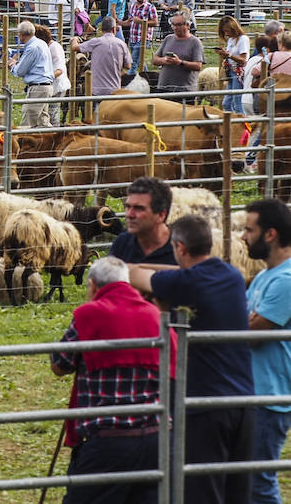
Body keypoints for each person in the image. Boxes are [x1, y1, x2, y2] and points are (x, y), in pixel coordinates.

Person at [130, 215, 255, 504]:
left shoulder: (185, 282)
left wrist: (132, 267)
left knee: (202, 490)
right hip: (244, 402)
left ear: (180, 248)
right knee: (238, 492)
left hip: (206, 405)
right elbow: (173, 273)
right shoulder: (231, 275)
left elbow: (135, 275)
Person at [49, 257, 169, 504]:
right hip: (155, 437)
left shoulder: (89, 314)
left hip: (108, 439)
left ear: (92, 285)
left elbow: (59, 365)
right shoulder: (155, 315)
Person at [239, 198, 291, 503]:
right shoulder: (263, 277)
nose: (243, 236)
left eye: (249, 230)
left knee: (258, 482)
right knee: (246, 481)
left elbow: (249, 335)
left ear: (270, 234)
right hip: (252, 393)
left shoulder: (286, 280)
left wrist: (247, 324)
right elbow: (242, 325)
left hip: (270, 398)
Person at [107, 177, 178, 265]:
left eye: (139, 208)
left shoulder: (181, 249)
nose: (129, 215)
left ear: (161, 215)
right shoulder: (122, 243)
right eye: (128, 207)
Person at [73, 17, 131, 99]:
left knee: (96, 111)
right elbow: (128, 66)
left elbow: (74, 48)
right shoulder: (121, 44)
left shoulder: (95, 42)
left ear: (101, 29)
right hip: (114, 90)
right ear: (114, 29)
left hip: (97, 91)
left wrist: (74, 39)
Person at [10, 21, 53, 127]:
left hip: (37, 88)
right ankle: (54, 140)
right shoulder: (41, 43)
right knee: (42, 122)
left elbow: (20, 71)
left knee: (27, 123)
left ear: (21, 34)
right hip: (46, 86)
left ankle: (22, 142)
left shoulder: (32, 48)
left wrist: (12, 65)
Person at [152, 14, 203, 97]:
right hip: (163, 88)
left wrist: (180, 62)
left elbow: (198, 66)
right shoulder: (168, 39)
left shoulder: (195, 42)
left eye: (179, 25)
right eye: (173, 25)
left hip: (184, 91)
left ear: (188, 25)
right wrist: (164, 60)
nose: (175, 28)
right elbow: (155, 59)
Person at [36, 26, 69, 126]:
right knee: (46, 114)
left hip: (56, 86)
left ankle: (55, 136)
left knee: (53, 115)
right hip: (50, 86)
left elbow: (60, 69)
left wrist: (44, 79)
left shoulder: (54, 47)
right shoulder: (47, 47)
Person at [217, 15, 250, 114]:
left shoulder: (242, 39)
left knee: (237, 103)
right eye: (224, 31)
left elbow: (243, 60)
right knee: (226, 103)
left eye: (227, 31)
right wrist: (223, 54)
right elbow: (229, 55)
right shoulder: (231, 39)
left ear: (233, 28)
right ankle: (230, 124)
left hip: (238, 73)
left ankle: (243, 125)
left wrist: (228, 55)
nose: (226, 34)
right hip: (231, 71)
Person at [126, 0, 158, 75]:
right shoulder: (132, 6)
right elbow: (129, 21)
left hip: (143, 37)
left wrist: (141, 21)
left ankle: (127, 81)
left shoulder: (150, 7)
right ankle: (147, 78)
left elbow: (155, 22)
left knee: (133, 62)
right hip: (133, 37)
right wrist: (118, 22)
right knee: (140, 61)